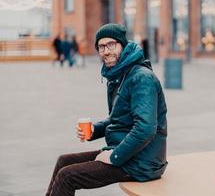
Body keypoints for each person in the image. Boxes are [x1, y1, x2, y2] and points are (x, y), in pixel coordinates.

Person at [45, 23, 168, 196]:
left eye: (111, 44)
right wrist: (95, 130)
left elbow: (145, 129)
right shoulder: (119, 74)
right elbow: (119, 118)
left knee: (67, 176)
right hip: (128, 152)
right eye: (101, 47)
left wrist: (113, 157)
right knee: (63, 161)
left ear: (123, 45)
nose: (106, 51)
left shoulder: (141, 78)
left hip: (143, 162)